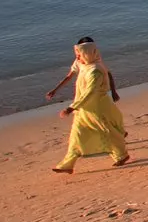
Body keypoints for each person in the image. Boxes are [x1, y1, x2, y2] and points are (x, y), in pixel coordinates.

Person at [53, 40, 129, 173]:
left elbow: (90, 92)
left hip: (98, 108)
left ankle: (121, 155)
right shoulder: (84, 66)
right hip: (83, 110)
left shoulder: (95, 70)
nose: (77, 57)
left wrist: (72, 107)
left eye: (79, 54)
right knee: (76, 135)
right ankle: (67, 164)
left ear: (87, 54)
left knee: (107, 131)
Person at [46, 36, 119, 105]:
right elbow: (69, 77)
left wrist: (113, 92)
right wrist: (55, 90)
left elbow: (108, 74)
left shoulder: (96, 60)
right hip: (83, 92)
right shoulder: (78, 61)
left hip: (97, 93)